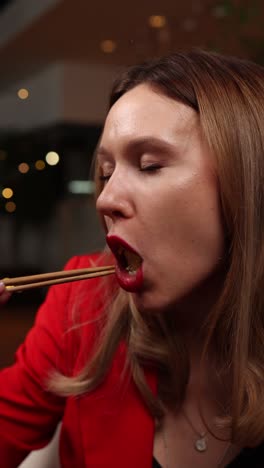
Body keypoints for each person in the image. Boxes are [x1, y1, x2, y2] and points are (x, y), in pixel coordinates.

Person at [0, 49, 264, 468]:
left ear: (246, 184)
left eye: (149, 165)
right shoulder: (84, 301)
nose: (106, 199)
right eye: (106, 172)